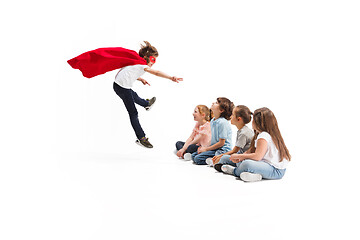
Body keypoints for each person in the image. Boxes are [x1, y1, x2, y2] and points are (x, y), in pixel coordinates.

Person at [113, 41, 183, 148]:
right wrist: (170, 77)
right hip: (122, 88)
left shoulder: (137, 62)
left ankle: (146, 104)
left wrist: (140, 79)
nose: (153, 63)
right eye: (153, 59)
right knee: (133, 113)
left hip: (119, 85)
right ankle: (141, 138)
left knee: (134, 95)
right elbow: (156, 72)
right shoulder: (142, 65)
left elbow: (129, 72)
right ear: (146, 57)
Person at [221, 107, 291, 182]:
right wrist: (241, 157)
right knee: (230, 159)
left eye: (253, 120)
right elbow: (250, 151)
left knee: (246, 164)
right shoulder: (260, 134)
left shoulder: (263, 136)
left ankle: (234, 171)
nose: (252, 122)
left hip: (275, 171)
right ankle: (254, 175)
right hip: (266, 165)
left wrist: (240, 156)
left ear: (258, 122)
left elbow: (257, 156)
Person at [191, 98, 233, 165]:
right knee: (193, 156)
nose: (213, 103)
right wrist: (205, 148)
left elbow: (221, 143)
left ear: (221, 110)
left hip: (222, 150)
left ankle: (217, 160)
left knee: (197, 159)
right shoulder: (213, 120)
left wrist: (206, 149)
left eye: (216, 103)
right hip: (214, 148)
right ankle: (213, 160)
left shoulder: (222, 122)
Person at [210, 105, 254, 169]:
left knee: (224, 158)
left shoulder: (244, 133)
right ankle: (221, 163)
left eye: (232, 115)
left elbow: (235, 151)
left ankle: (226, 165)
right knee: (223, 157)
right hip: (240, 155)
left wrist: (220, 156)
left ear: (239, 119)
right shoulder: (242, 130)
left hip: (243, 158)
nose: (230, 117)